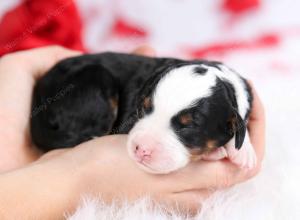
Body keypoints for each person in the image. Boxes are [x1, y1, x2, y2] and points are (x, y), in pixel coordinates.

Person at [0, 45, 265, 219]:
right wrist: (77, 175)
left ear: (234, 128)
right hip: (72, 89)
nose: (143, 145)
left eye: (185, 129)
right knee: (98, 88)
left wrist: (236, 143)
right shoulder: (172, 84)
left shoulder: (228, 113)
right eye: (145, 111)